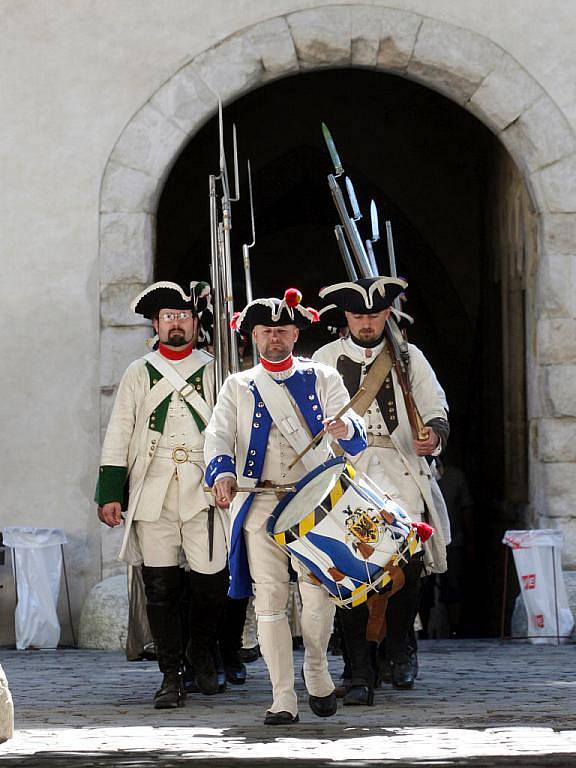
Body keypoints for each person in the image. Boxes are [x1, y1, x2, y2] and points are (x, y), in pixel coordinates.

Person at [204, 288, 367, 725]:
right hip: (259, 502)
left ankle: (316, 666)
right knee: (269, 599)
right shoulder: (237, 386)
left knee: (317, 596)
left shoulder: (323, 377)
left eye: (282, 330)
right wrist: (221, 472)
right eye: (266, 331)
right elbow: (218, 436)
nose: (274, 338)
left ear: (295, 333)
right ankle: (281, 697)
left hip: (314, 501)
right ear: (254, 337)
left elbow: (354, 426)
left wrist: (343, 425)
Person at [312, 276, 450, 700]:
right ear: (347, 317)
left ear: (387, 313)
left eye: (374, 314)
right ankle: (358, 666)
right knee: (347, 567)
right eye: (358, 315)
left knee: (406, 564)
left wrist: (434, 436)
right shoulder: (323, 358)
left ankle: (400, 647)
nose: (366, 322)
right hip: (347, 470)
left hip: (400, 465)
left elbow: (435, 407)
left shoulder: (408, 357)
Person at [95, 280, 230, 709]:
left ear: (195, 323)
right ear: (156, 324)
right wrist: (110, 492)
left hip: (202, 488)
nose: (177, 324)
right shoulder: (139, 371)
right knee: (161, 587)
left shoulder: (214, 369)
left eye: (184, 317)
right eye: (169, 317)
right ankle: (170, 674)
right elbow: (119, 432)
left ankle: (201, 653)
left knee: (211, 582)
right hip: (152, 490)